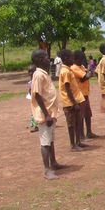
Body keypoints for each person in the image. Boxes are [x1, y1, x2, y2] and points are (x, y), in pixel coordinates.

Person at [30, 50, 64, 180]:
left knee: (50, 140)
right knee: (45, 143)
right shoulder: (38, 74)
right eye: (44, 57)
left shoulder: (44, 74)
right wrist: (47, 115)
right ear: (38, 60)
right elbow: (37, 95)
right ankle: (47, 170)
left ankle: (53, 163)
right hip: (45, 114)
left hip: (50, 112)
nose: (48, 59)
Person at [58, 49, 86, 151]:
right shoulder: (65, 71)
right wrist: (74, 103)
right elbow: (67, 88)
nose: (73, 59)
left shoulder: (69, 70)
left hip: (75, 101)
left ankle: (78, 142)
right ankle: (72, 144)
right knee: (71, 124)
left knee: (77, 122)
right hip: (70, 103)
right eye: (71, 57)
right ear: (66, 59)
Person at [71, 50, 97, 140]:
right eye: (81, 59)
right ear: (75, 59)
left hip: (85, 94)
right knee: (80, 116)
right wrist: (90, 71)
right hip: (79, 95)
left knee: (87, 114)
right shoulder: (74, 67)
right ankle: (81, 135)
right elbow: (85, 76)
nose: (82, 61)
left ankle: (89, 132)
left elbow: (87, 75)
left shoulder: (81, 66)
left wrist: (89, 72)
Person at [27, 64, 39, 133]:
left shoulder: (37, 80)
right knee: (34, 113)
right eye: (29, 71)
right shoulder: (31, 81)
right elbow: (30, 90)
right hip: (34, 100)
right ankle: (36, 126)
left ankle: (36, 126)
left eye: (32, 71)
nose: (30, 73)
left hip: (38, 99)